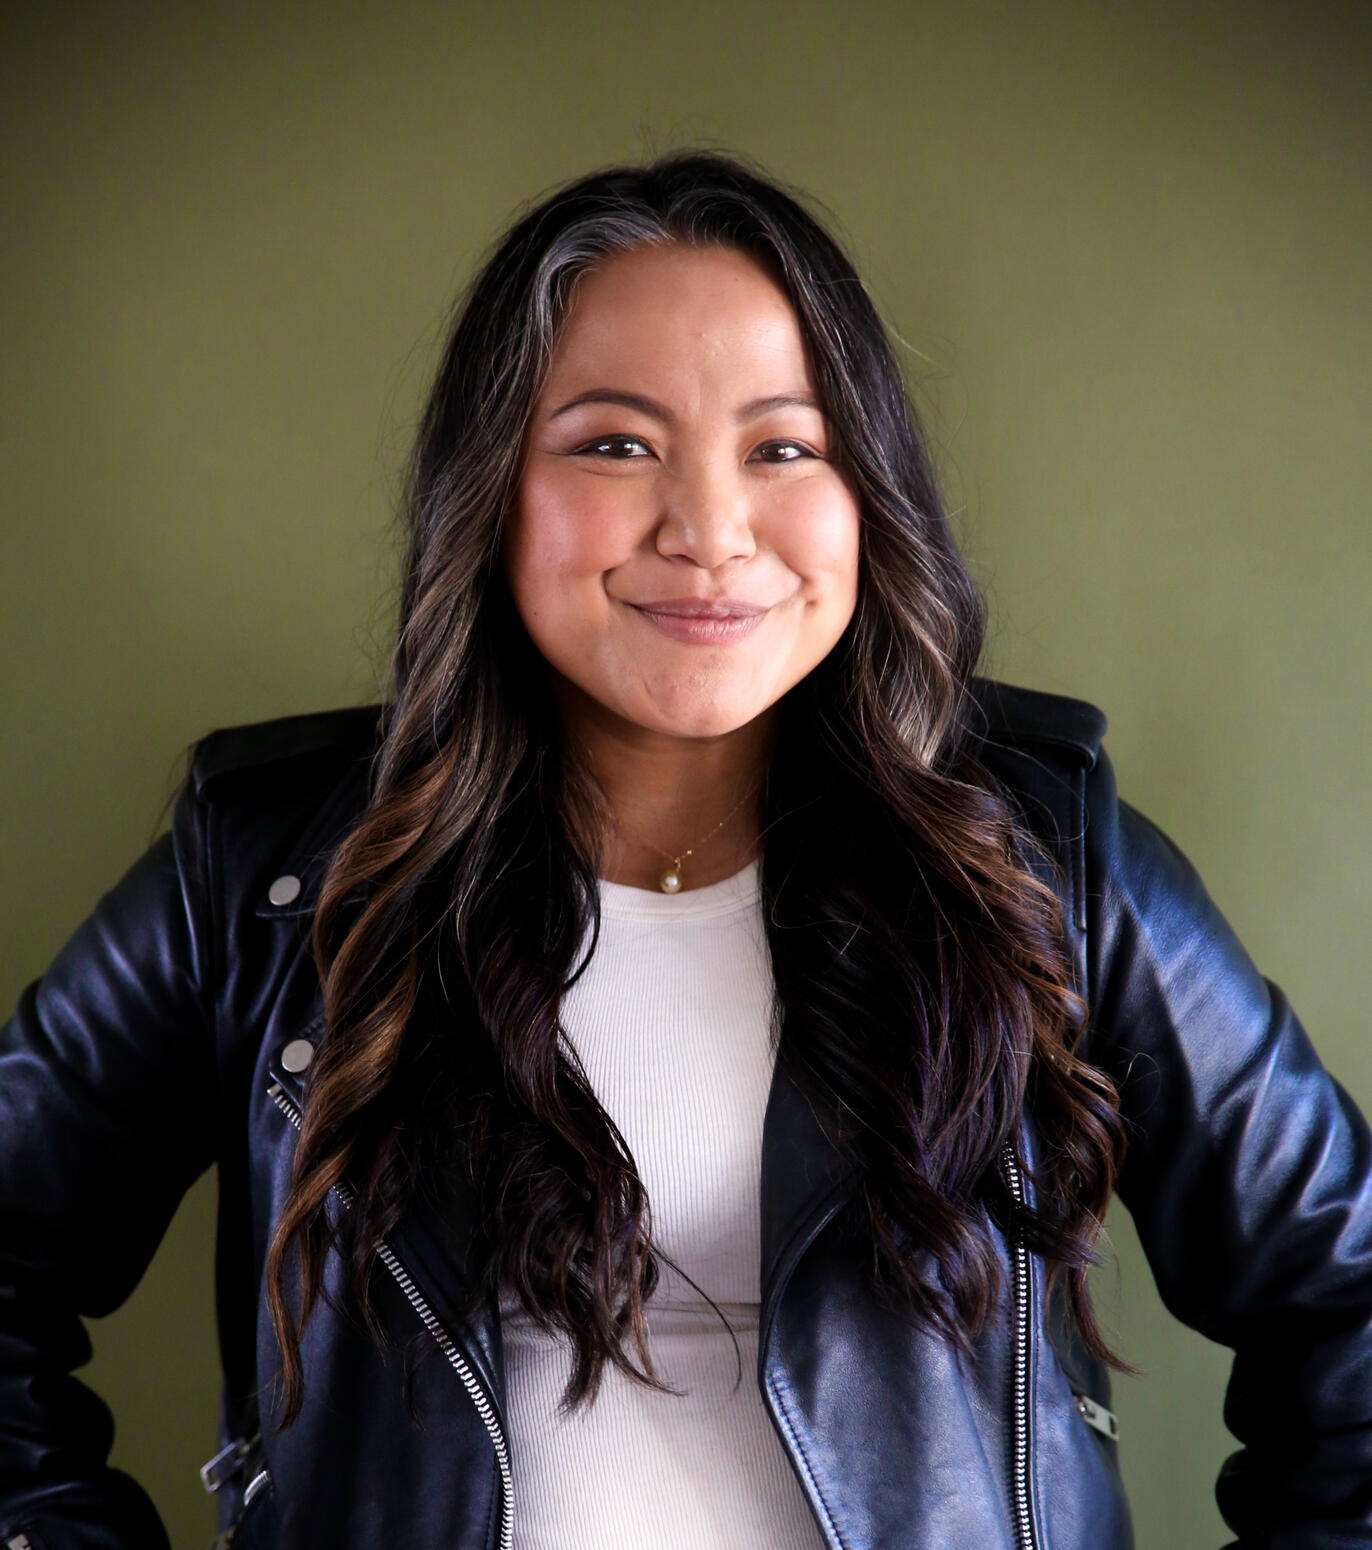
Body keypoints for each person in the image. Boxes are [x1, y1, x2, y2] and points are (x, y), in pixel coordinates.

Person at [1, 151, 1369, 1550]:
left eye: (783, 446)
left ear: (864, 498)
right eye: (613, 443)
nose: (710, 531)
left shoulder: (1042, 864)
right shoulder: (270, 879)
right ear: (495, 492)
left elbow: (1349, 1302)